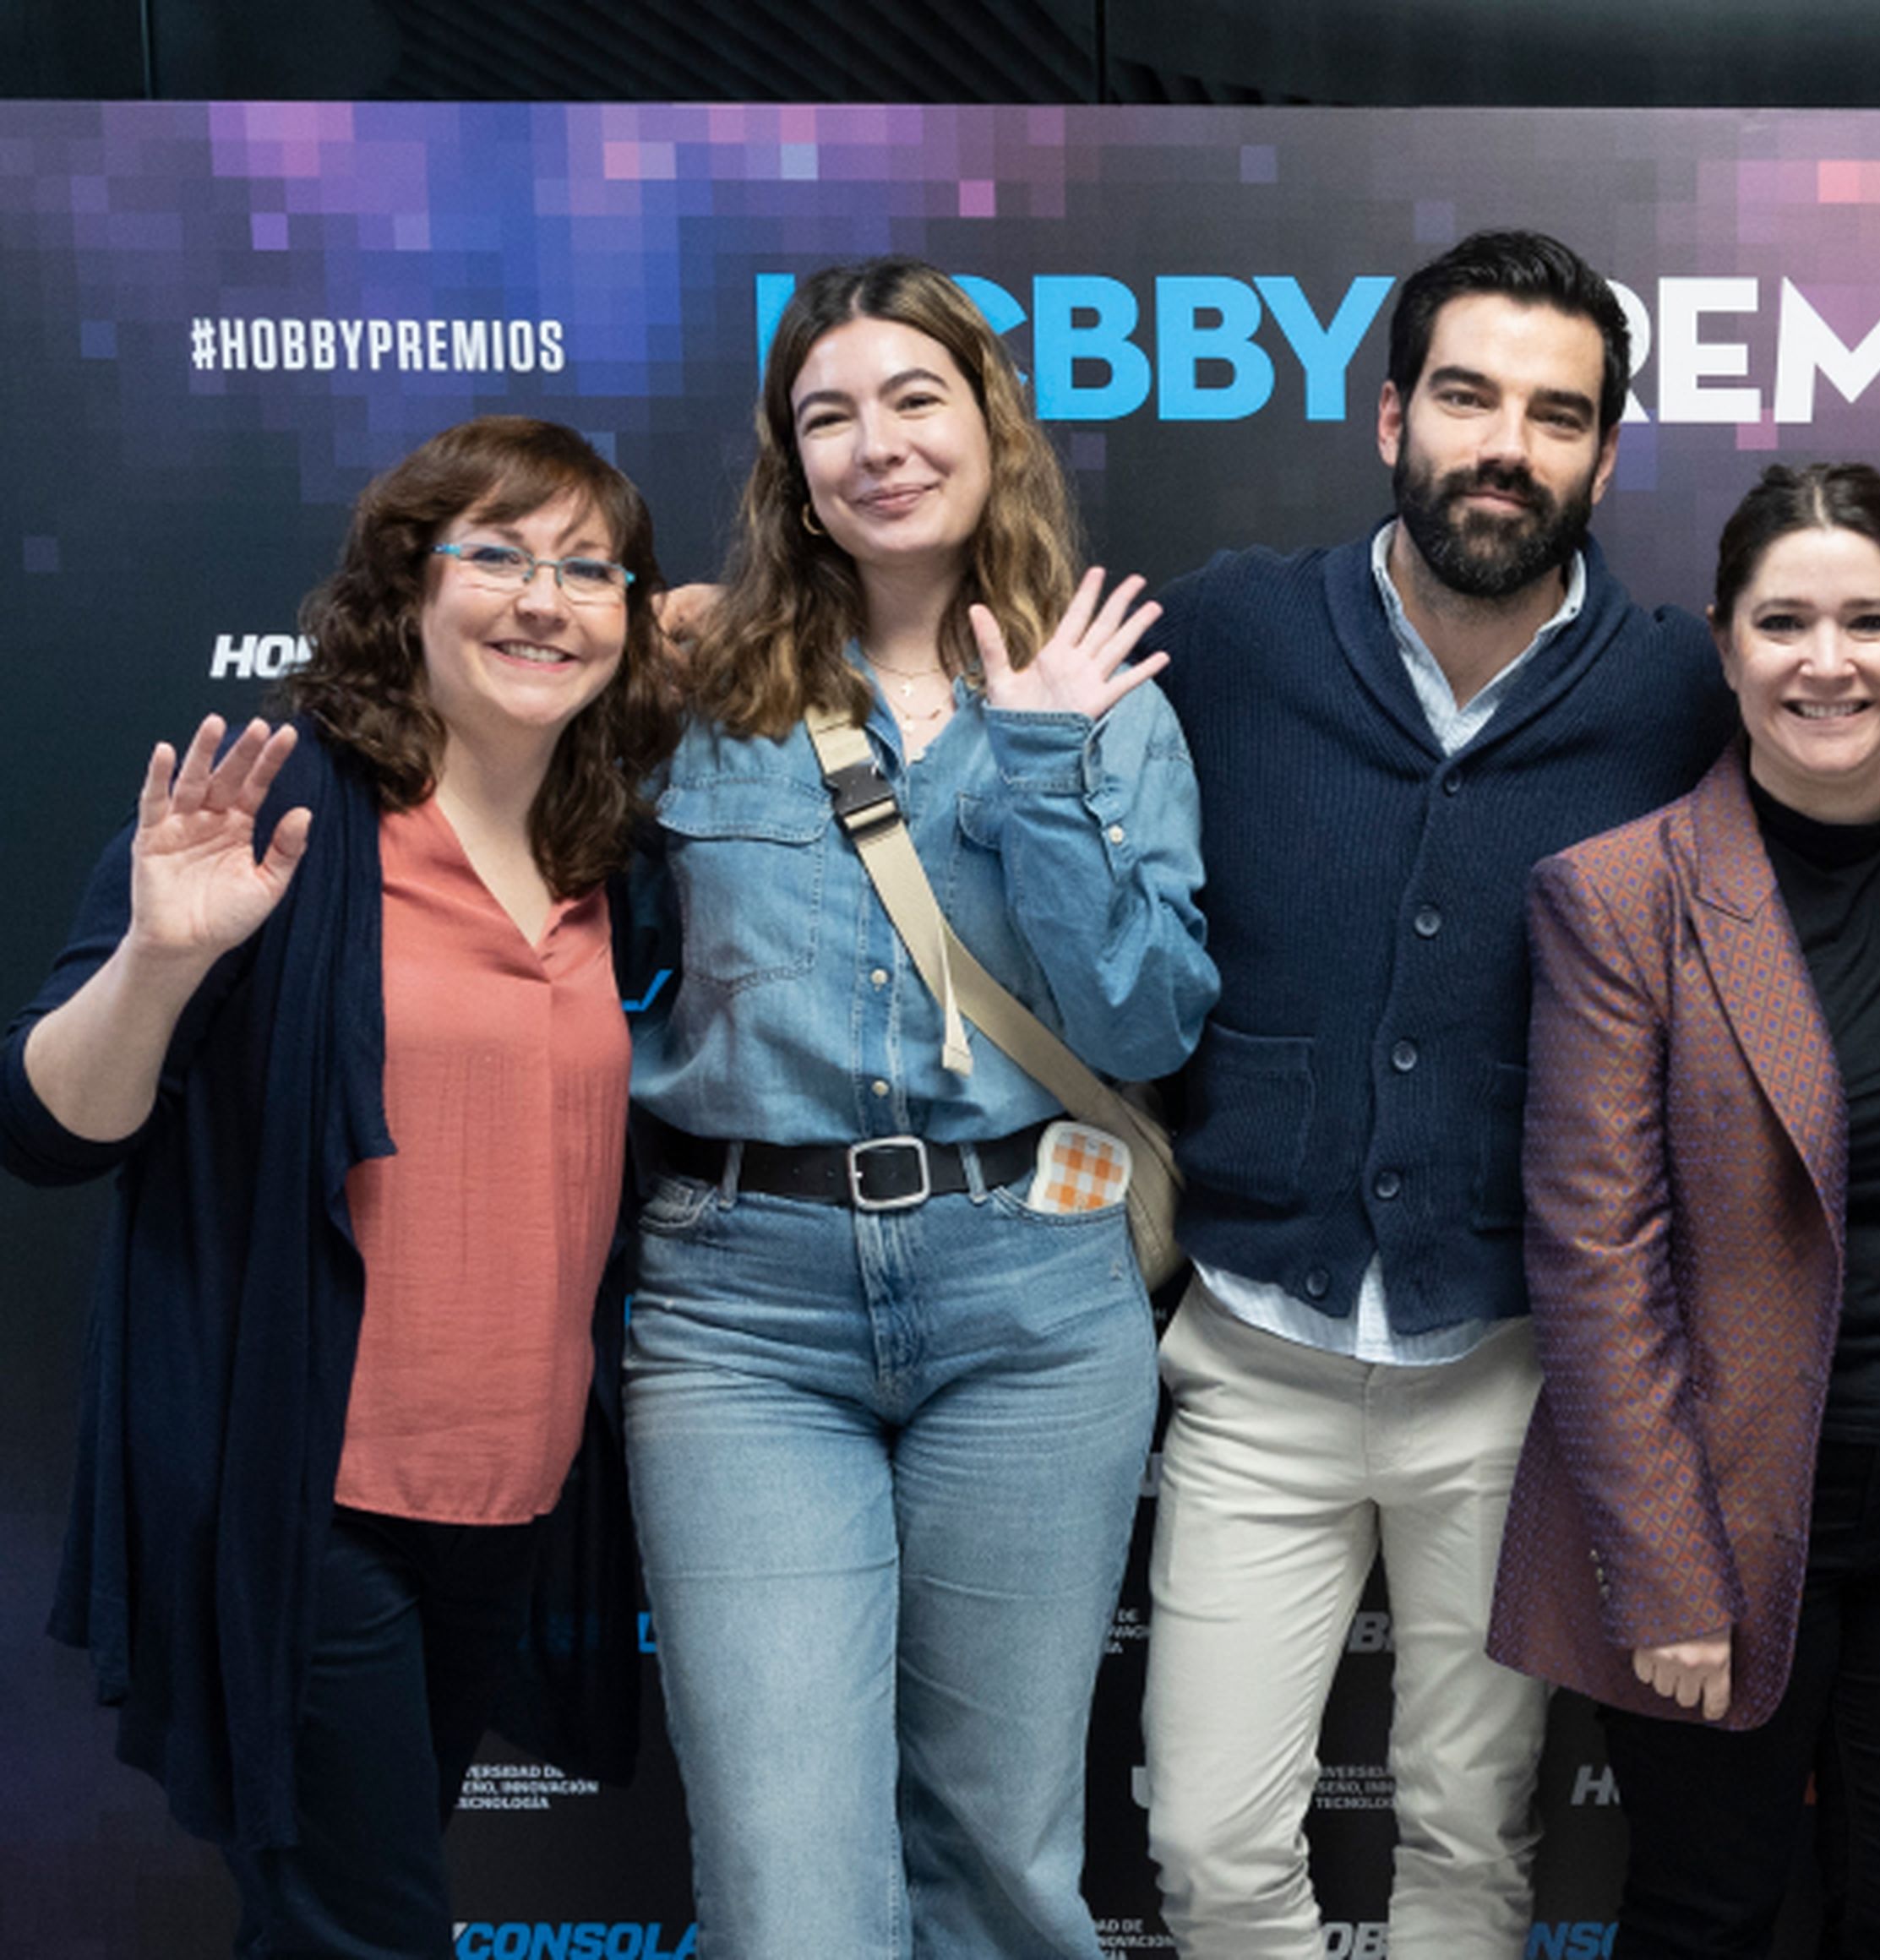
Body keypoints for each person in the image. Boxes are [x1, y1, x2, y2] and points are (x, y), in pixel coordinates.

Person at [1138, 230, 1880, 1959]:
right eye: (1468, 395)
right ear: (1391, 412)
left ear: (1606, 457)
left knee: (1474, 1840)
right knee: (1205, 1838)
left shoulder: (1666, 685)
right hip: (1257, 1351)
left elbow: (1840, 738)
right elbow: (970, 660)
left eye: (1557, 414)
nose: (1507, 443)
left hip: (1510, 1376)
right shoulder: (1234, 626)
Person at [2, 415, 682, 1957]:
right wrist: (158, 963)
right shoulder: (287, 811)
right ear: (405, 589)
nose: (542, 599)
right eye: (496, 555)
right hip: (305, 1492)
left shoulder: (607, 853)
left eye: (588, 570)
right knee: (367, 1935)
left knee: (323, 1929)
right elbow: (51, 1129)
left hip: (503, 1497)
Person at [624, 257, 1216, 1957]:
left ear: (989, 420)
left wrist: (1041, 764)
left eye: (912, 399)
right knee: (786, 1880)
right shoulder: (689, 691)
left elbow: (1151, 1018)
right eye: (829, 415)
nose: (876, 445)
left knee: (1002, 1860)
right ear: (788, 464)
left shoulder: (1112, 700)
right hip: (745, 1308)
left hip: (1030, 1298)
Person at [1485, 461, 1880, 1958]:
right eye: (1784, 622)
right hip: (1727, 1521)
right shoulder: (1623, 895)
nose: (1829, 662)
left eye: (1869, 620)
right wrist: (1667, 1572)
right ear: (1726, 646)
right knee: (1708, 1913)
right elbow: (1594, 1263)